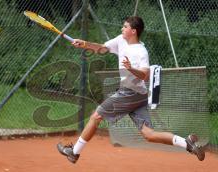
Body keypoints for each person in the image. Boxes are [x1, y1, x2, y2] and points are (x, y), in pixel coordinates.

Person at [57, 16, 205, 163]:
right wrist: (84, 44)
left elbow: (145, 76)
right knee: (149, 135)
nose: (122, 28)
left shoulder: (141, 51)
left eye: (125, 26)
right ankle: (187, 143)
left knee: (96, 116)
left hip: (130, 93)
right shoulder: (121, 40)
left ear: (133, 31)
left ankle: (74, 152)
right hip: (139, 96)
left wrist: (131, 69)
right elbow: (102, 48)